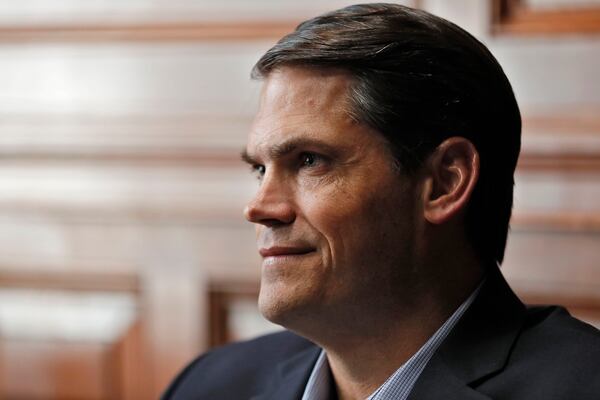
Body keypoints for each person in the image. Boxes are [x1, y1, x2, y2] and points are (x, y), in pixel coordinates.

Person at [162, 3, 600, 399]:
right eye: (260, 169)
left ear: (444, 183)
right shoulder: (210, 385)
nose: (258, 208)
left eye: (310, 161)